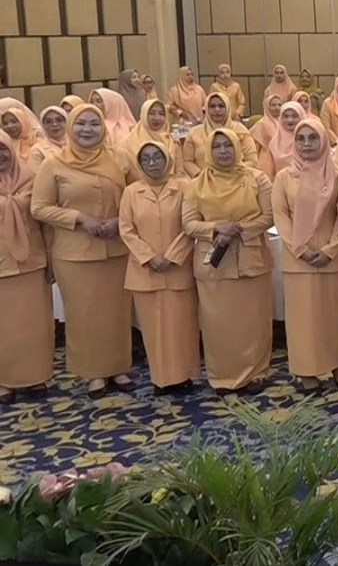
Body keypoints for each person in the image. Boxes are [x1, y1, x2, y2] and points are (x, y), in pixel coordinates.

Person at [31, 105, 135, 398]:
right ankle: (93, 373)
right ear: (70, 127)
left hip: (116, 249)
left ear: (103, 127)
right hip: (74, 253)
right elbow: (39, 207)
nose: (87, 130)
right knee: (84, 315)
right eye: (80, 124)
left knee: (117, 312)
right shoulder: (53, 164)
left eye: (94, 124)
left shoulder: (120, 158)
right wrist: (79, 218)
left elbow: (137, 196)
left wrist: (120, 220)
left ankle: (118, 367)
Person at [182, 129, 274, 394]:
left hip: (251, 258)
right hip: (214, 262)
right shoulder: (196, 184)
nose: (223, 151)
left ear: (238, 147)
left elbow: (269, 216)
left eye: (228, 145)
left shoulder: (257, 179)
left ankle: (257, 372)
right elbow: (188, 223)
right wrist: (215, 228)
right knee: (217, 324)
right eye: (217, 146)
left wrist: (238, 229)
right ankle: (222, 375)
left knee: (254, 320)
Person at [273, 117, 338, 393]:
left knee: (332, 316)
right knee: (303, 320)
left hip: (332, 258)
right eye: (301, 138)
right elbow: (280, 217)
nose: (306, 144)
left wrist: (330, 250)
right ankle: (306, 370)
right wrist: (300, 250)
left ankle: (337, 364)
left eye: (313, 138)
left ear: (323, 140)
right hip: (298, 261)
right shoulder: (284, 177)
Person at [118, 141, 199, 395]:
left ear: (168, 159)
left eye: (157, 157)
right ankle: (161, 378)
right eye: (146, 159)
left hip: (179, 268)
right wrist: (149, 257)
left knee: (182, 326)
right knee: (154, 330)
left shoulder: (185, 187)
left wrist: (172, 256)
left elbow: (190, 225)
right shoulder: (131, 192)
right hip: (145, 271)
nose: (152, 163)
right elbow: (126, 229)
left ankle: (184, 375)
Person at [0, 134, 51, 403]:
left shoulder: (31, 178)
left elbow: (45, 223)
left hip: (32, 262)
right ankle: (4, 381)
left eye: (3, 149)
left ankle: (35, 377)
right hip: (2, 267)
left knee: (35, 326)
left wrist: (51, 260)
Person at [184, 92, 258, 176]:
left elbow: (252, 160)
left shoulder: (240, 130)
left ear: (228, 107)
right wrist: (202, 176)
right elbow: (187, 161)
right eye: (212, 106)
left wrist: (230, 173)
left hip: (236, 178)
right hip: (204, 180)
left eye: (221, 106)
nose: (217, 109)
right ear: (206, 109)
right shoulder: (194, 133)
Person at [120, 99, 183, 183]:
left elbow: (179, 172)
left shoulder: (173, 142)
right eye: (152, 113)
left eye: (161, 114)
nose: (157, 118)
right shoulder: (126, 143)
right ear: (143, 115)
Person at [261, 102, 304, 180]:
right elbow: (267, 173)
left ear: (301, 117)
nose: (290, 120)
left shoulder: (308, 140)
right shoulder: (274, 143)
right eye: (286, 116)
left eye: (294, 116)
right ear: (280, 119)